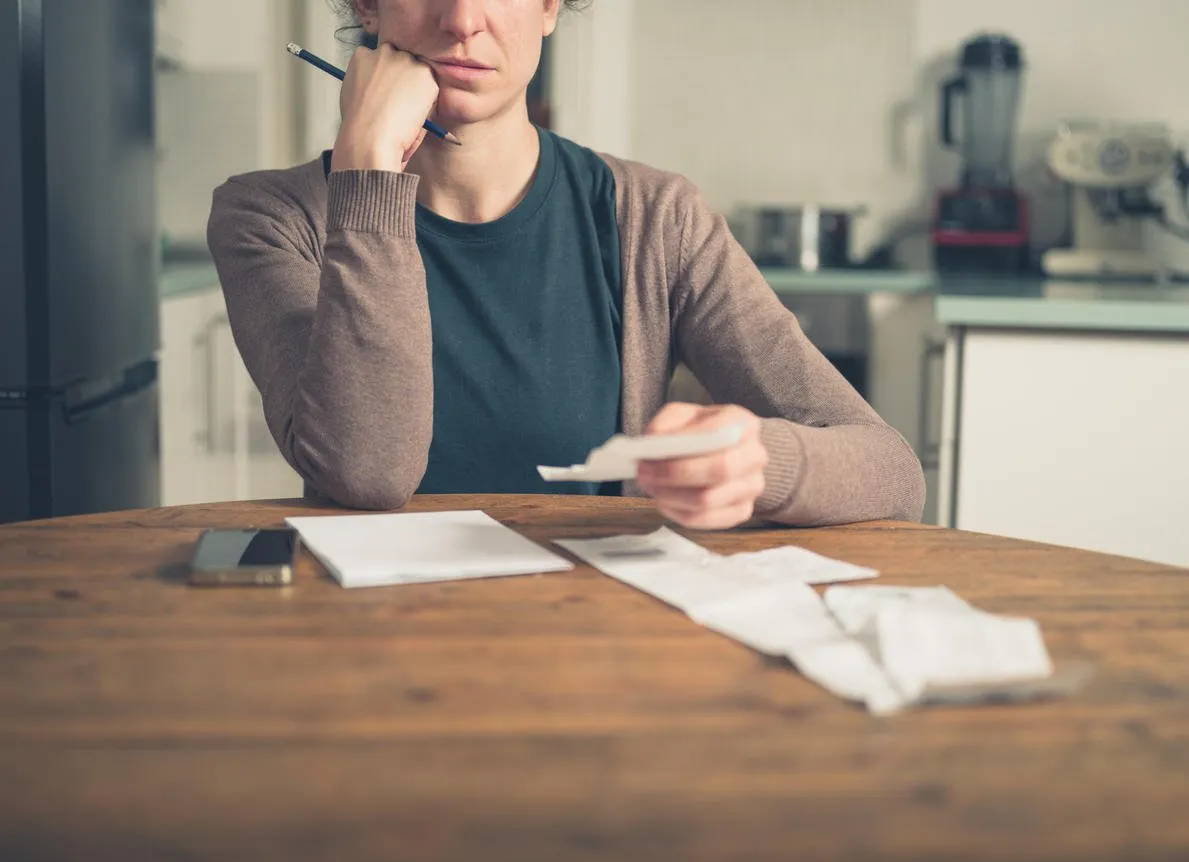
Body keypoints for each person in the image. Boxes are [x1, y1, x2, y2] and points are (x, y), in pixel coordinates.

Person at [207, 0, 925, 530]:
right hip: (359, 644)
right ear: (366, 5)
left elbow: (891, 473)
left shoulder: (656, 217)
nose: (462, 19)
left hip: (596, 639)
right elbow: (369, 473)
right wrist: (367, 172)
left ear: (550, 7)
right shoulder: (268, 217)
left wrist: (759, 461)